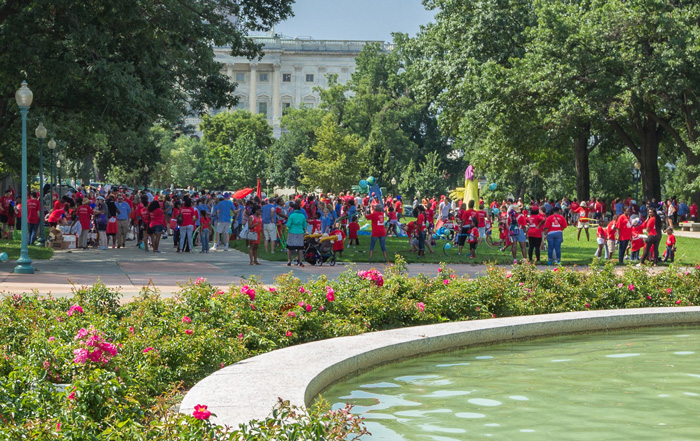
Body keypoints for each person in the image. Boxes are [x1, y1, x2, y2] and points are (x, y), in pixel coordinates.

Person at [286, 202, 307, 267]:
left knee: (290, 247)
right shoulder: (302, 216)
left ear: (293, 209)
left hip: (292, 231)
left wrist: (288, 227)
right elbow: (304, 225)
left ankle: (289, 260)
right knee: (300, 248)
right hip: (300, 232)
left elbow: (288, 225)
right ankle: (300, 261)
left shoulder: (291, 215)